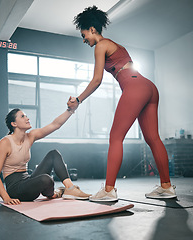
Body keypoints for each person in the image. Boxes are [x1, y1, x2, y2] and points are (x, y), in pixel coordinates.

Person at [67, 6, 177, 201]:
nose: (84, 40)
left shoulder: (102, 44)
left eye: (84, 35)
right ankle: (166, 187)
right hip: (148, 87)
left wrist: (78, 99)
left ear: (92, 29)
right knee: (153, 138)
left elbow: (96, 80)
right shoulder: (115, 45)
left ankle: (109, 190)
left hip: (135, 87)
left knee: (115, 137)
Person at [0, 105, 91, 205]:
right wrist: (6, 198)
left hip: (27, 180)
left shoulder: (30, 136)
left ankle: (70, 188)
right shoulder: (5, 143)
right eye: (22, 116)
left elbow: (55, 125)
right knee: (46, 179)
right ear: (14, 123)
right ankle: (53, 194)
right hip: (15, 189)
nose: (27, 118)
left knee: (53, 154)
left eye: (26, 116)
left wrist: (70, 110)